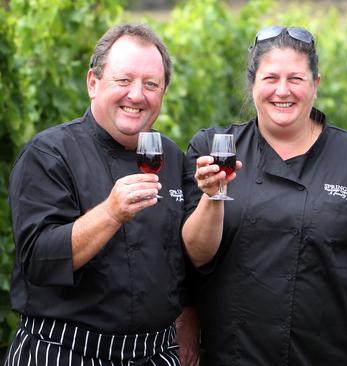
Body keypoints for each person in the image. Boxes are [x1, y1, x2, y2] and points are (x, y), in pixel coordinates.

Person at [185, 26, 347, 365]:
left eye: (296, 79)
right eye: (270, 78)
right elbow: (194, 256)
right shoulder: (213, 150)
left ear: (316, 85)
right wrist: (212, 196)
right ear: (253, 84)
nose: (282, 91)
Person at [3, 23, 233, 366]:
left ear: (163, 93)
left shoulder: (171, 157)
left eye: (151, 84)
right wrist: (110, 213)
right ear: (93, 83)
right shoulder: (49, 154)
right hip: (64, 351)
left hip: (154, 353)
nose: (137, 95)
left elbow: (188, 258)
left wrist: (213, 197)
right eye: (123, 81)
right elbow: (39, 260)